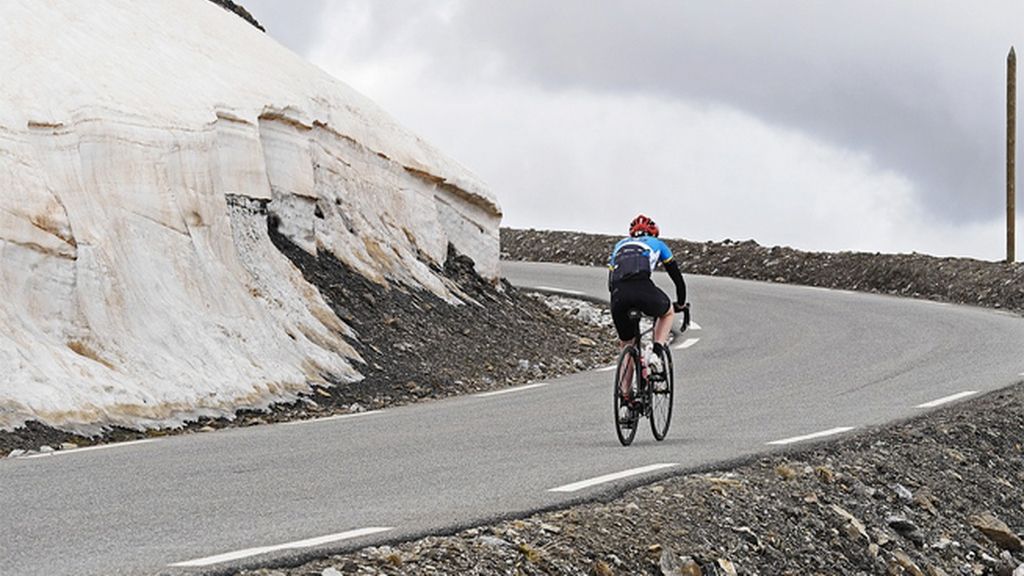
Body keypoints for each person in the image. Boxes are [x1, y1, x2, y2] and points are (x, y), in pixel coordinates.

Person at [608, 214, 687, 404]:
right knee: (667, 311)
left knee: (627, 343)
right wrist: (681, 303)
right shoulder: (658, 244)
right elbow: (677, 278)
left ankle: (625, 395)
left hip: (618, 294)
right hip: (642, 286)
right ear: (654, 233)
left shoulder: (619, 245)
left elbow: (610, 282)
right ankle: (657, 352)